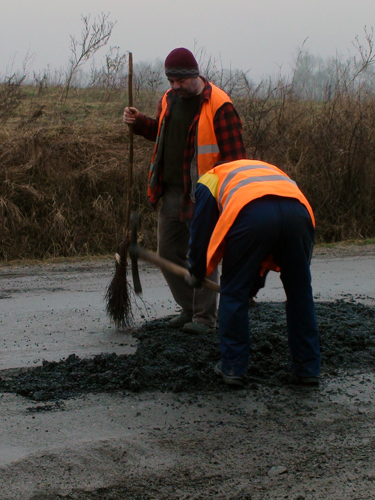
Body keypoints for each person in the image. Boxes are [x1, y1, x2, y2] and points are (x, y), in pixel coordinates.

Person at [123, 47, 246, 334]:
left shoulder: (219, 105)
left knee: (203, 256)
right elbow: (161, 132)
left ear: (194, 75)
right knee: (167, 253)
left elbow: (237, 160)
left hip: (205, 195)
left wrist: (226, 199)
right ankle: (189, 308)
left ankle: (205, 317)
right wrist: (139, 122)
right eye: (171, 82)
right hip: (172, 192)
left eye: (180, 82)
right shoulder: (168, 99)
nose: (175, 87)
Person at [186, 159, 321, 387]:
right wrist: (254, 286)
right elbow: (267, 243)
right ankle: (308, 368)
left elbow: (201, 235)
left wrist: (197, 271)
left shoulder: (208, 179)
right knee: (300, 292)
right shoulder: (263, 169)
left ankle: (233, 368)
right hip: (298, 213)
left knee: (232, 292)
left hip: (250, 212)